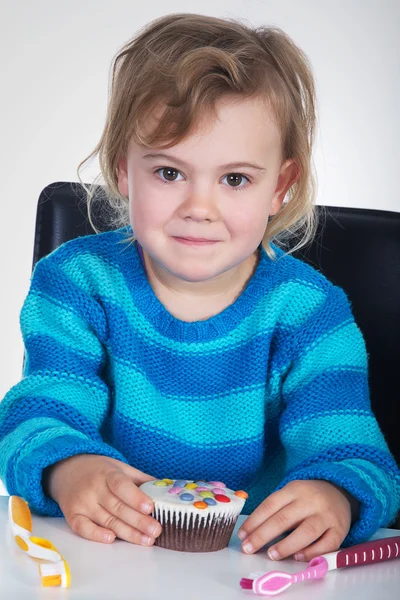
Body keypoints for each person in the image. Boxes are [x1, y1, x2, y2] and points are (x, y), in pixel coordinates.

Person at [0, 12, 399, 563]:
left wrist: (337, 497)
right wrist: (69, 469)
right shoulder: (76, 283)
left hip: (253, 571)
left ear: (279, 186)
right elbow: (36, 416)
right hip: (107, 561)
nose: (199, 209)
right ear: (123, 168)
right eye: (169, 173)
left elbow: (360, 459)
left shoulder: (310, 314)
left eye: (235, 179)